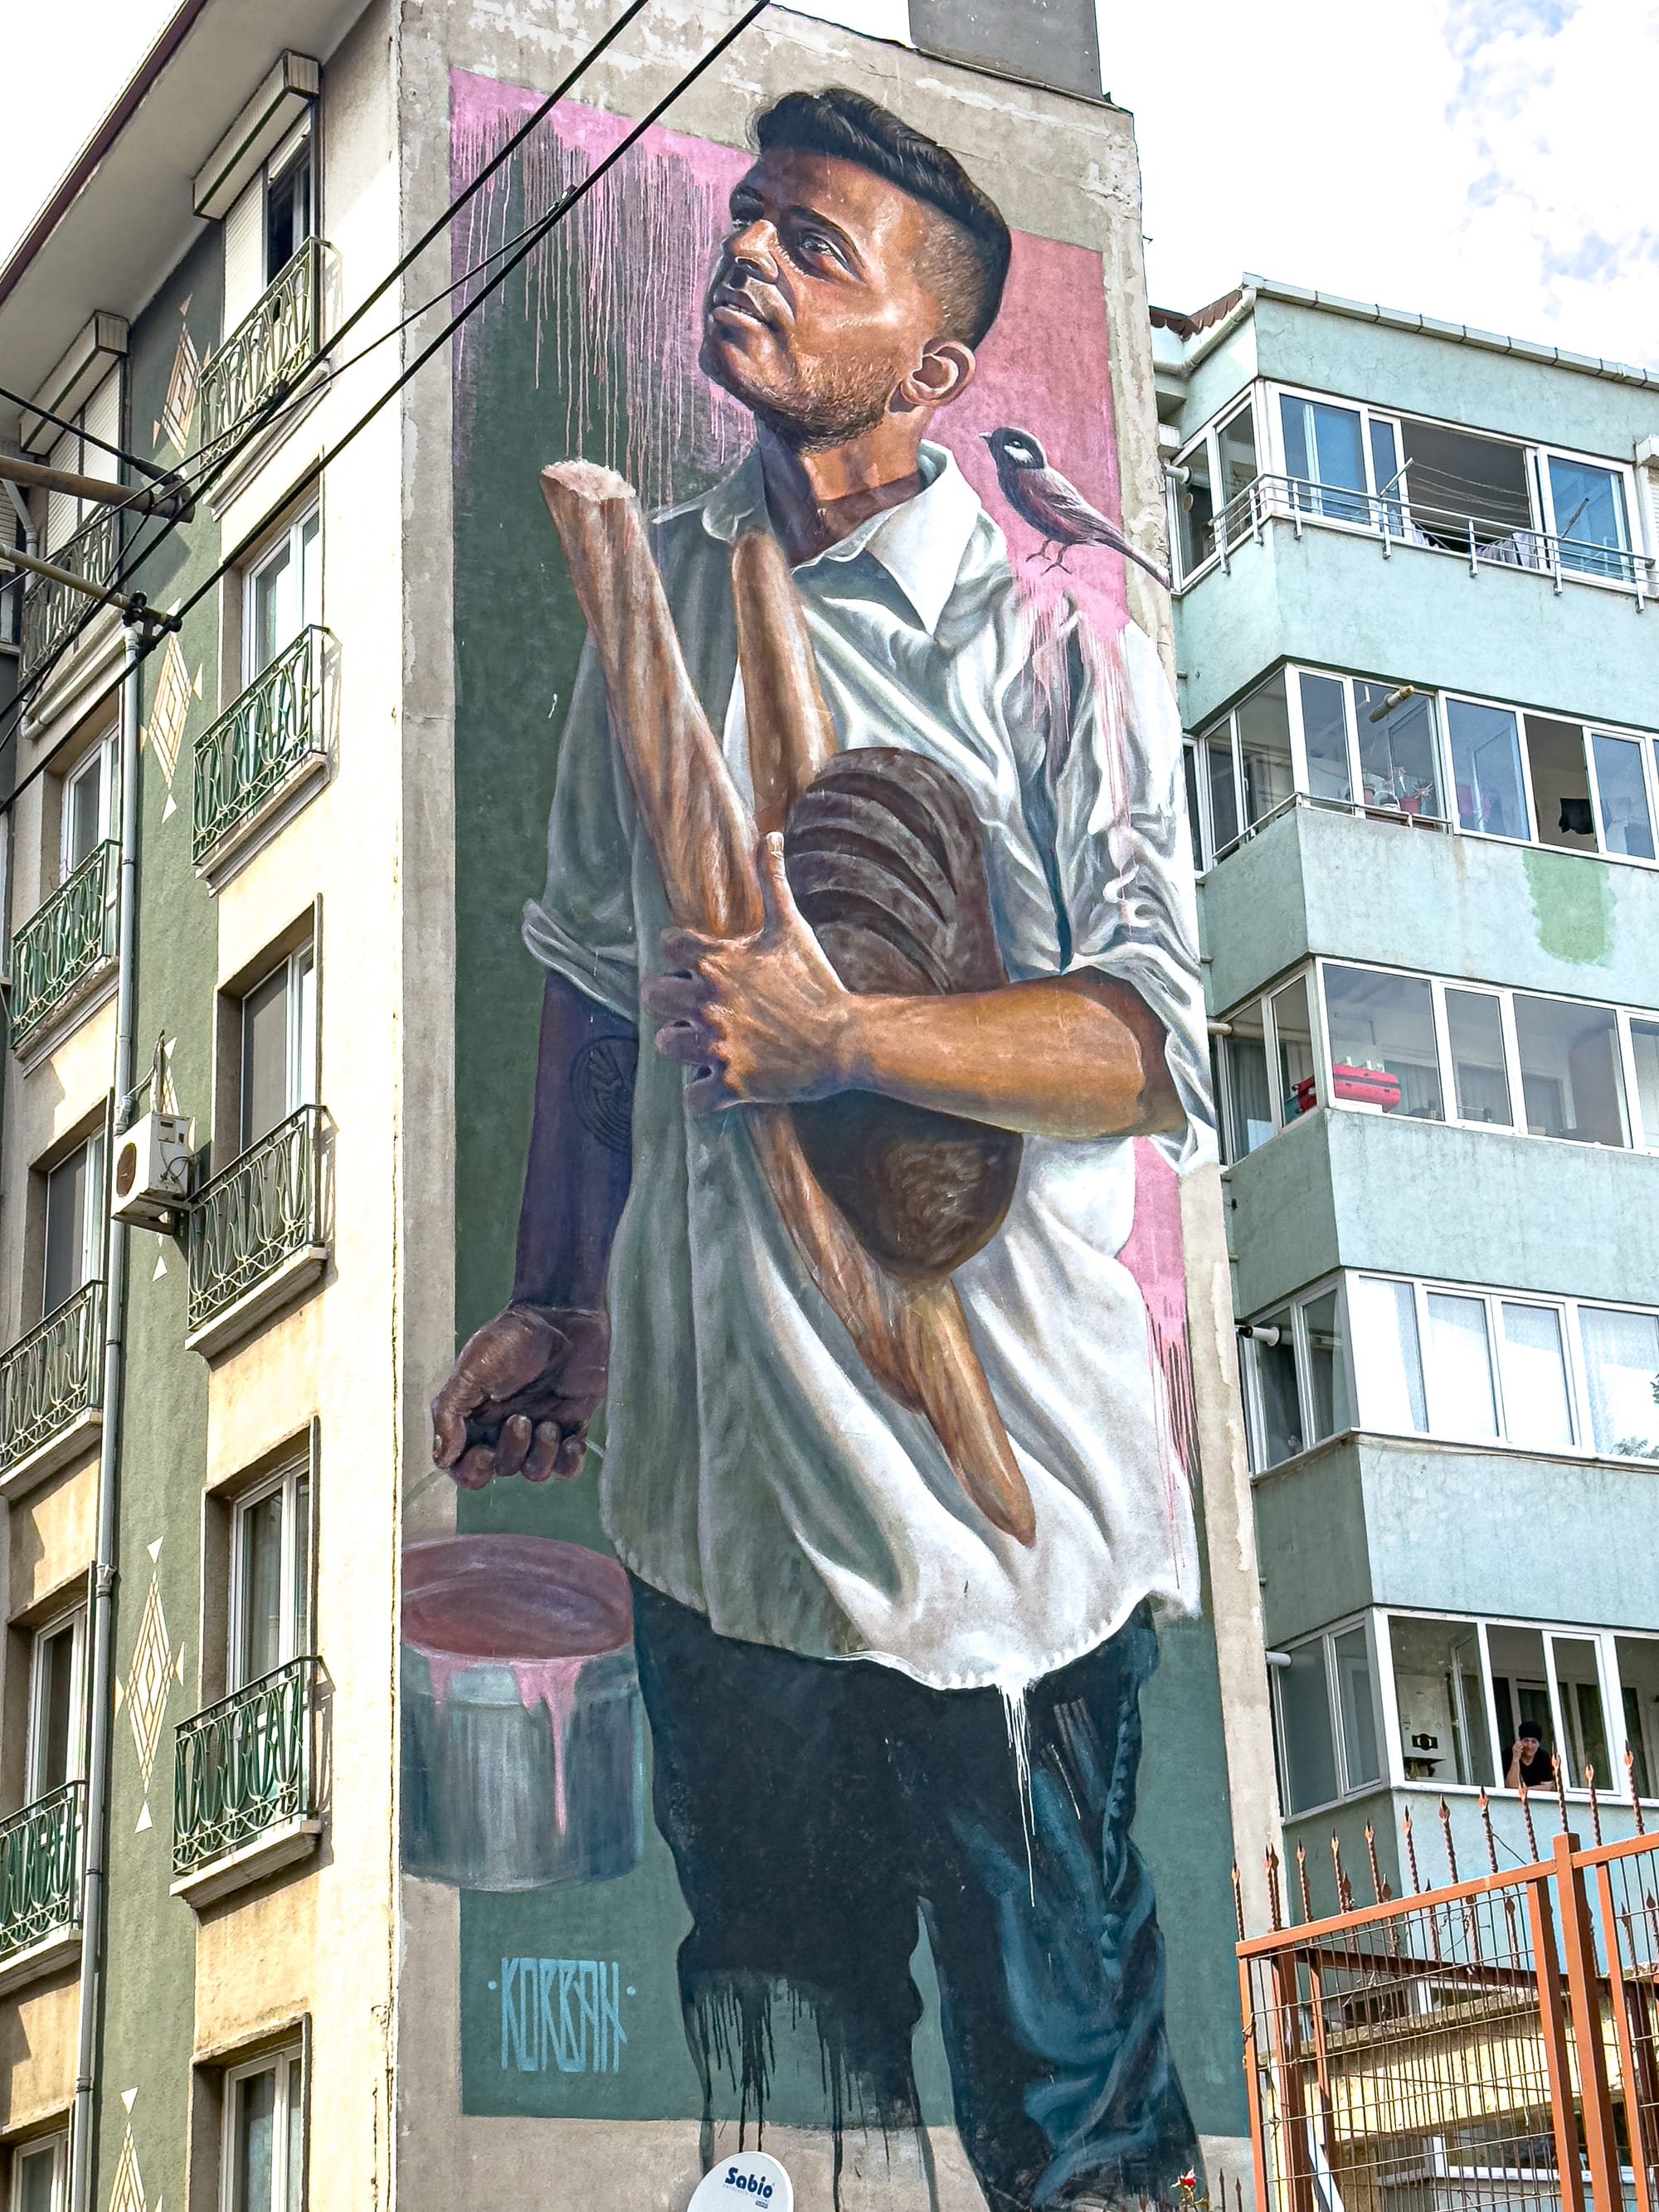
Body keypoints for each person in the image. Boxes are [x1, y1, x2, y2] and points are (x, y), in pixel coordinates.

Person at [431, 87, 1209, 2207]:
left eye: (816, 245)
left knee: (1070, 2111)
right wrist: (555, 1301)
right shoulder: (654, 591)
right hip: (717, 1518)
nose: (750, 256)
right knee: (790, 2099)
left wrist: (843, 1032)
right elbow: (596, 984)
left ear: (940, 369)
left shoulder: (1057, 646)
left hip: (1005, 1547)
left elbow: (1141, 1043)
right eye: (748, 219)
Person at [1506, 1719, 1554, 1790]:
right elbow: (1512, 1786)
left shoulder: (1543, 1757)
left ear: (1539, 1744)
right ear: (1519, 1741)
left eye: (1534, 1742)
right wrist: (1515, 1759)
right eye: (1526, 1741)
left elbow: (1547, 1787)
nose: (1529, 1746)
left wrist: (1526, 1790)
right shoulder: (1509, 1754)